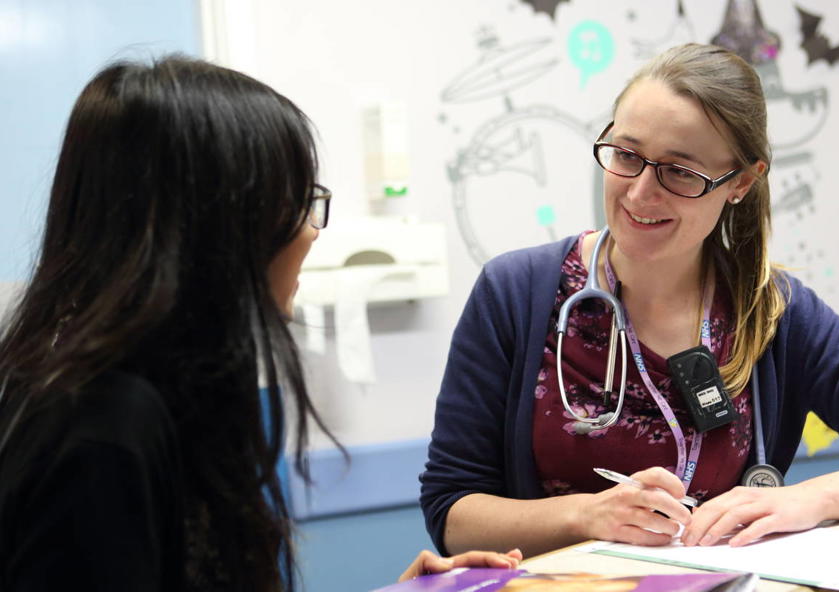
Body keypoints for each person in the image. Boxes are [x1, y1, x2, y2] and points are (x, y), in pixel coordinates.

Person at [420, 43, 839, 557]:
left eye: (680, 172)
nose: (638, 193)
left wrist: (808, 499)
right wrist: (587, 516)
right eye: (626, 155)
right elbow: (453, 512)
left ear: (741, 183)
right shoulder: (517, 293)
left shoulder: (772, 311)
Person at [0, 56, 519, 591]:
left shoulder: (171, 394)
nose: (311, 232)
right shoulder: (101, 428)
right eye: (296, 202)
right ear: (215, 225)